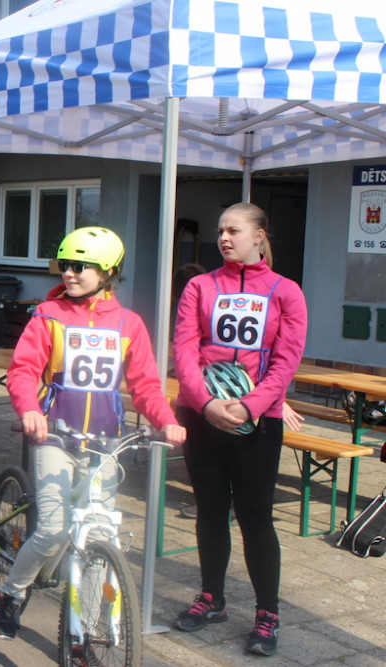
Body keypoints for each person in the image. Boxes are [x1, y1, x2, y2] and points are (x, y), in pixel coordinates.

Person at [0, 227, 186, 648]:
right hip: (56, 435)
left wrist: (166, 420)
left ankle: (87, 629)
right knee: (54, 530)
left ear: (107, 272)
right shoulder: (48, 315)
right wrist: (30, 410)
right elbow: (23, 371)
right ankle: (11, 593)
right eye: (65, 265)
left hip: (105, 443)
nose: (70, 273)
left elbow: (147, 385)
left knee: (99, 535)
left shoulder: (129, 324)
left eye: (80, 266)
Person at [170, 202, 307, 658]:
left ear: (259, 236)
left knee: (255, 516)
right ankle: (212, 598)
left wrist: (250, 407)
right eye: (220, 230)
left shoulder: (286, 292)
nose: (224, 238)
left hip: (259, 421)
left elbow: (286, 360)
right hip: (203, 415)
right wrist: (205, 403)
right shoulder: (200, 286)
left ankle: (267, 614)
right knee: (210, 510)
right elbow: (184, 349)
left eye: (234, 230)